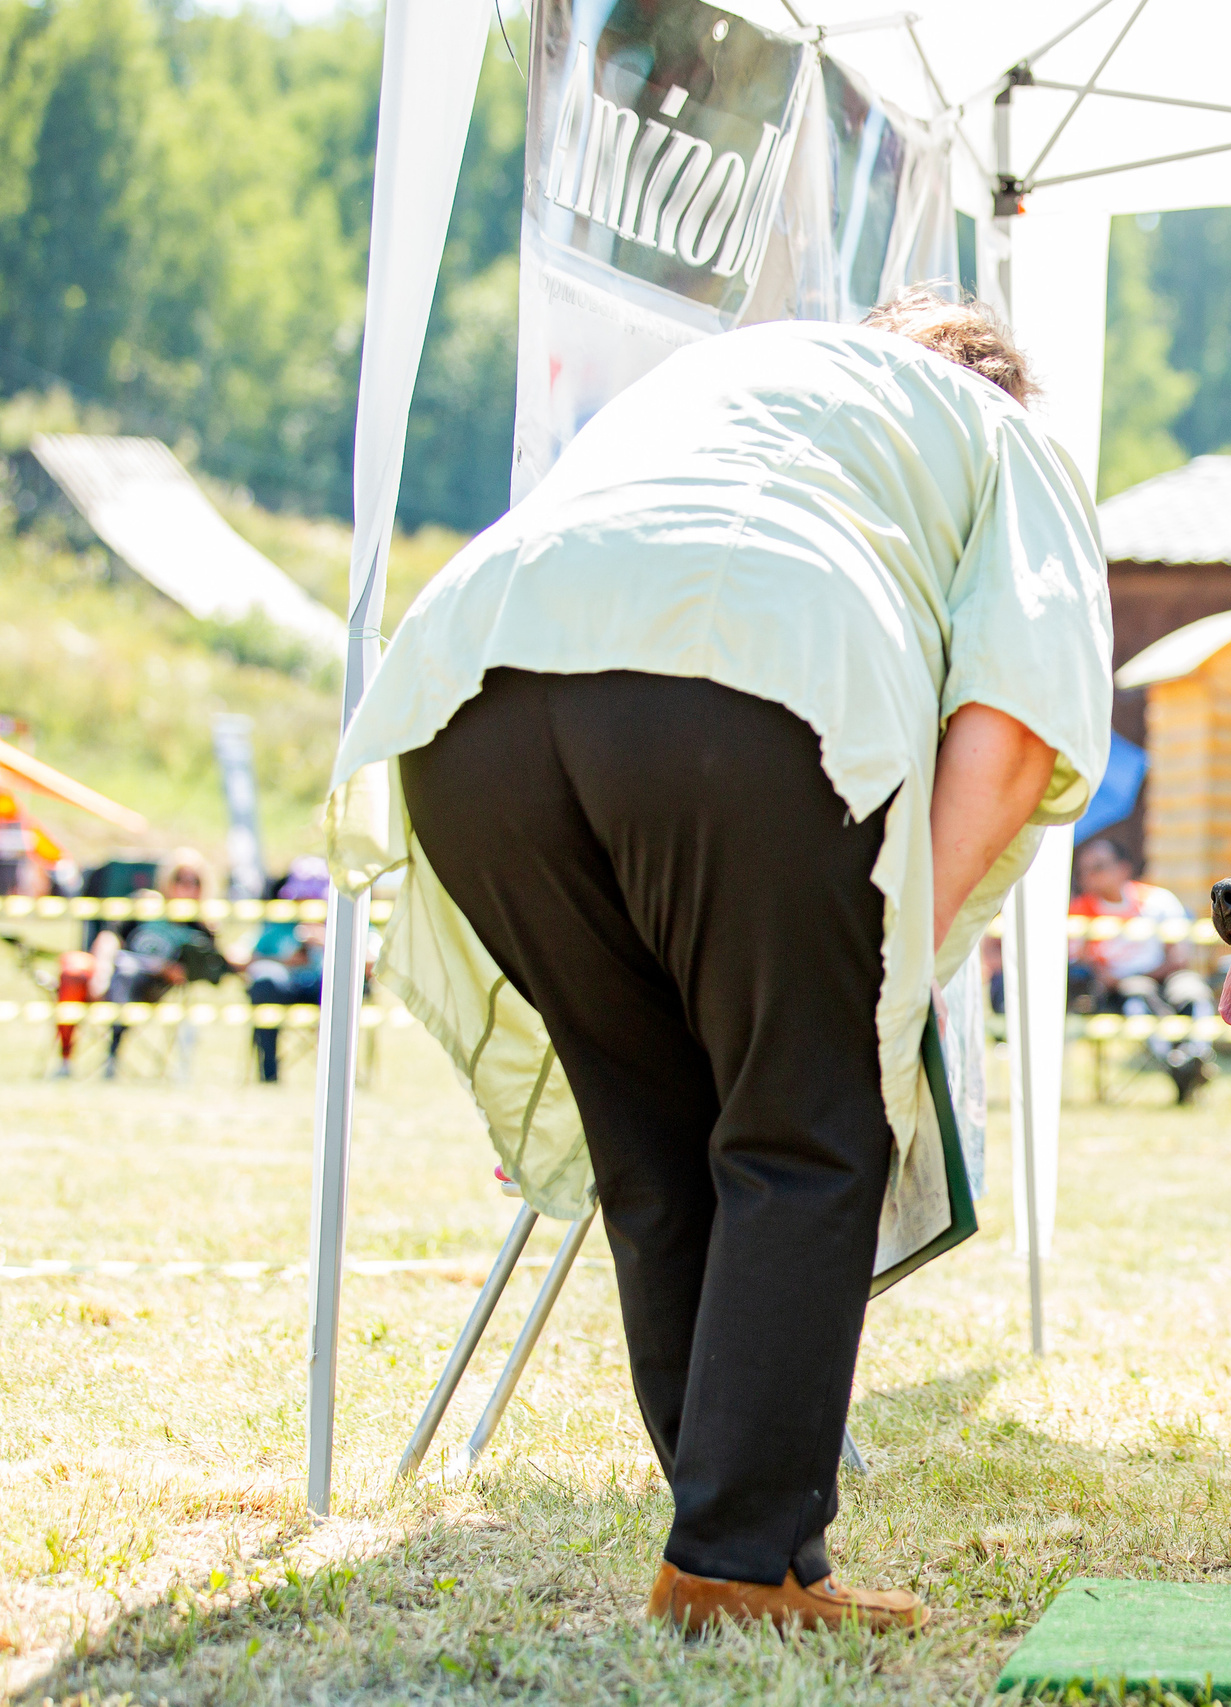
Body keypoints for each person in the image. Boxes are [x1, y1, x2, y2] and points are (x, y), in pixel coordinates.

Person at [324, 295, 1112, 1635]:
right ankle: (740, 1560)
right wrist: (887, 966)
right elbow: (1022, 712)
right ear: (1001, 387)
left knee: (661, 1135)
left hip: (463, 701)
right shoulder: (1000, 436)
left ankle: (735, 1549)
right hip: (732, 671)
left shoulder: (740, 376)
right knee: (808, 1127)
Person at [1068, 837, 1216, 1102]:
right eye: (1083, 871)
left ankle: (1197, 1055)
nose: (1089, 877)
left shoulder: (1156, 901)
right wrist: (1102, 973)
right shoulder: (1080, 911)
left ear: (1123, 868)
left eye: (1098, 867)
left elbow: (1179, 957)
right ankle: (1178, 1065)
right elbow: (1076, 960)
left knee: (1193, 991)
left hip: (1164, 975)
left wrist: (1139, 974)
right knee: (1138, 994)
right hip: (1121, 990)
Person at [100, 851, 230, 1079]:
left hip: (155, 989)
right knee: (124, 971)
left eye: (194, 882)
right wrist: (100, 969)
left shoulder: (200, 926)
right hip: (117, 976)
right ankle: (108, 1057)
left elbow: (212, 967)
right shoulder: (146, 905)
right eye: (180, 879)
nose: (186, 887)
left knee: (130, 976)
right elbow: (111, 937)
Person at [246, 857, 331, 1084]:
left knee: (338, 988)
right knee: (265, 982)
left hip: (325, 991)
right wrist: (286, 961)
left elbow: (376, 962)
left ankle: (335, 1074)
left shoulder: (344, 922)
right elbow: (246, 957)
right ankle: (269, 1072)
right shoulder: (279, 921)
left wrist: (328, 943)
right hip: (286, 987)